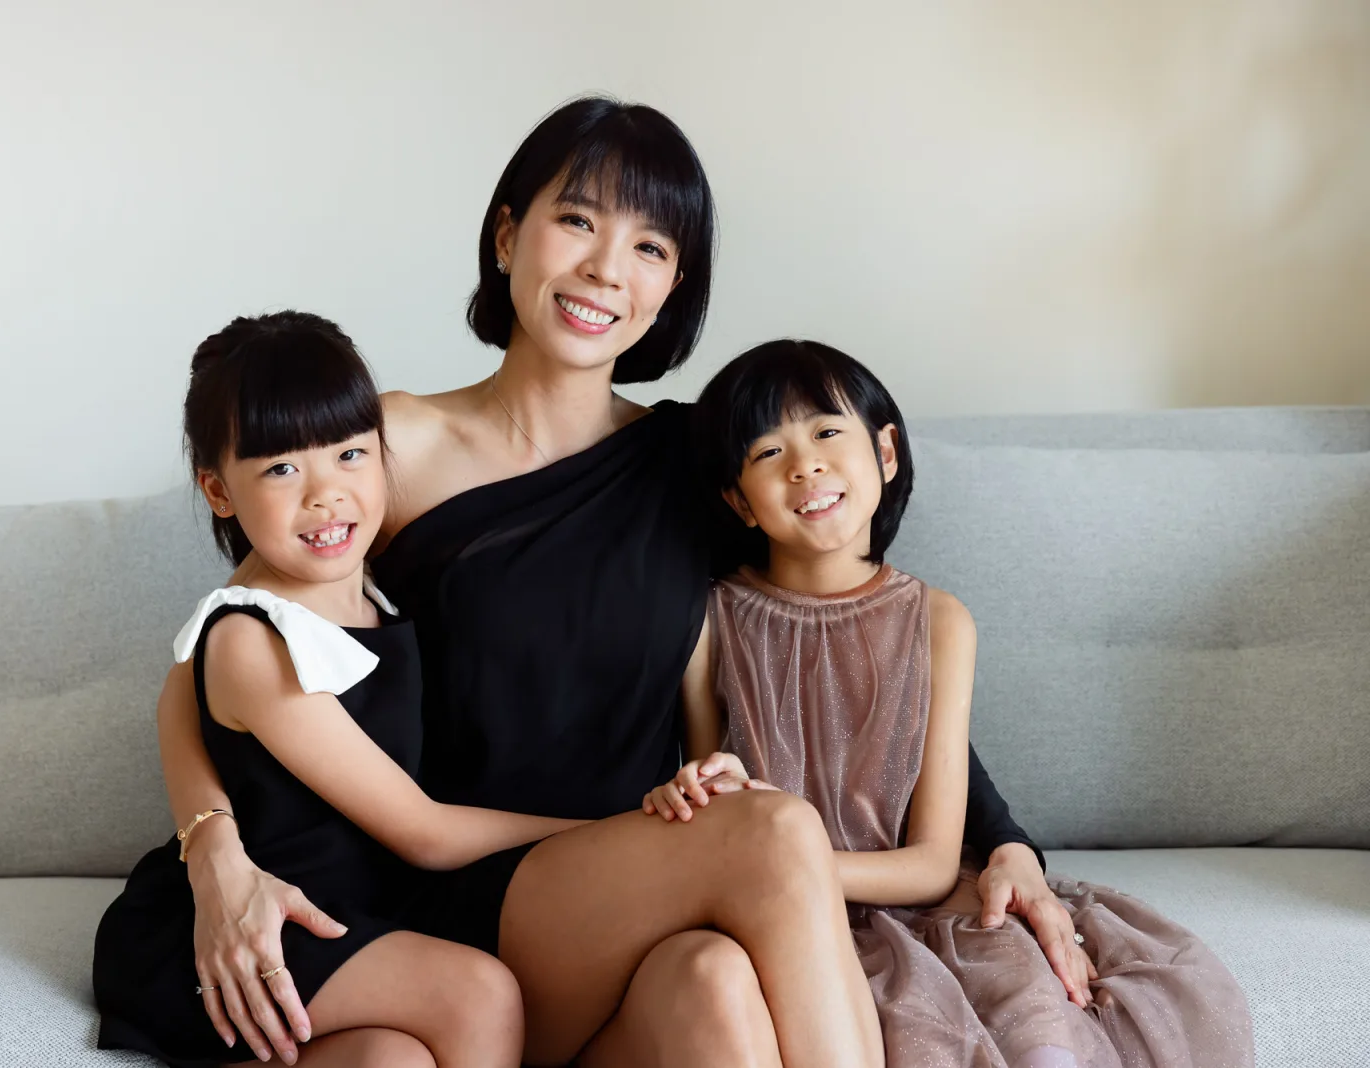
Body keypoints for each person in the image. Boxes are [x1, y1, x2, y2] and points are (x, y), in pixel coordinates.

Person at [157, 96, 1070, 1068]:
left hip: (640, 884)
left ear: (673, 286)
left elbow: (849, 628)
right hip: (453, 900)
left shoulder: (690, 461)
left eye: (650, 246)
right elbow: (221, 644)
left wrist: (1005, 836)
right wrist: (209, 843)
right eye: (578, 220)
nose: (605, 268)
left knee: (716, 987)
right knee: (764, 834)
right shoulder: (393, 445)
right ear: (509, 234)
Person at [648, 338, 1256, 1067]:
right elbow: (709, 783)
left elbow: (935, 863)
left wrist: (778, 870)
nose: (804, 463)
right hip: (782, 920)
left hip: (923, 901)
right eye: (767, 452)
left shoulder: (939, 622)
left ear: (887, 453)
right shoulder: (709, 623)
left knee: (1036, 1028)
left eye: (826, 431)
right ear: (738, 500)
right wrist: (701, 801)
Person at [93, 312, 589, 1067]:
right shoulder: (254, 637)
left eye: (351, 453)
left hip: (346, 911)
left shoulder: (364, 584)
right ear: (219, 491)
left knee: (392, 1059)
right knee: (476, 992)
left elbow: (180, 683)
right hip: (257, 918)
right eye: (282, 470)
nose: (327, 494)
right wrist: (604, 824)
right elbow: (424, 833)